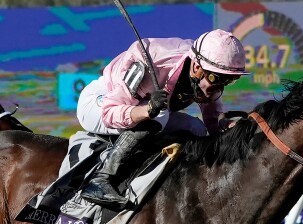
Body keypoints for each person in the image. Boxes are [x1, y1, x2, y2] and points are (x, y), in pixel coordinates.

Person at [74, 29, 250, 211]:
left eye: (229, 81)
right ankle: (101, 178)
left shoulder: (204, 68)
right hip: (100, 103)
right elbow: (110, 113)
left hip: (145, 111)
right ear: (197, 68)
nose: (220, 87)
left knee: (196, 128)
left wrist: (227, 127)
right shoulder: (151, 63)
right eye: (218, 78)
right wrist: (147, 110)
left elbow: (212, 121)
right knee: (160, 115)